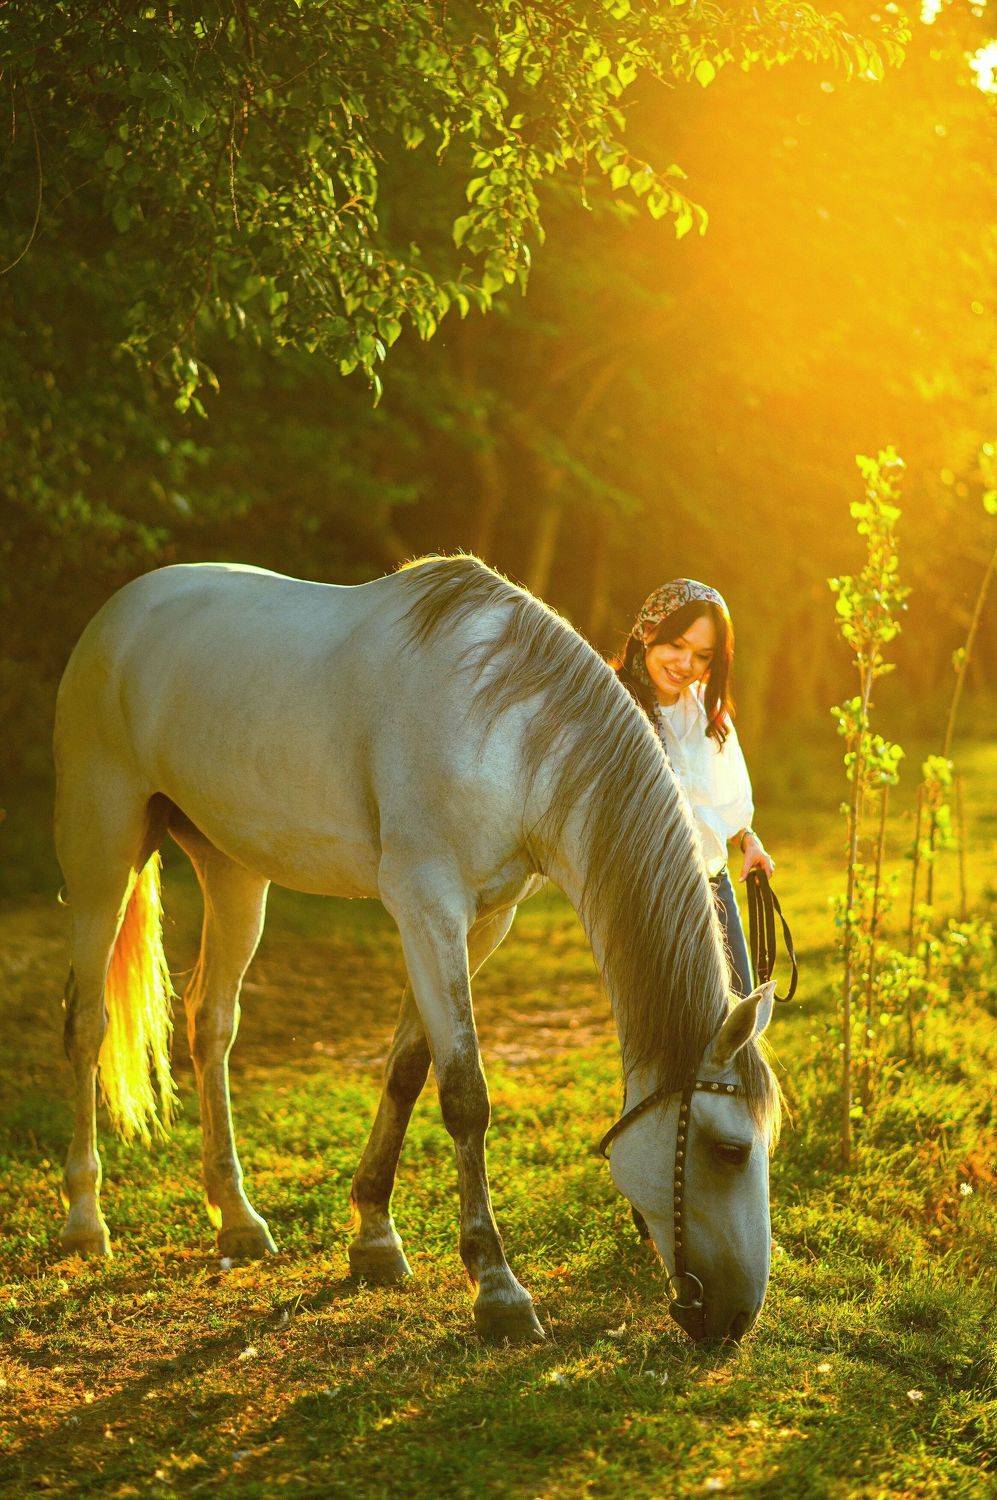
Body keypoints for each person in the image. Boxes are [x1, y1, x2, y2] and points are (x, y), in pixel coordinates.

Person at [613, 578, 775, 997]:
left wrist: (749, 841)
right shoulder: (612, 710)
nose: (685, 664)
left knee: (740, 1010)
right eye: (676, 646)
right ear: (648, 632)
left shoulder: (709, 711)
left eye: (702, 655)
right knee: (673, 1025)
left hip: (714, 885)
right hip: (651, 895)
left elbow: (728, 800)